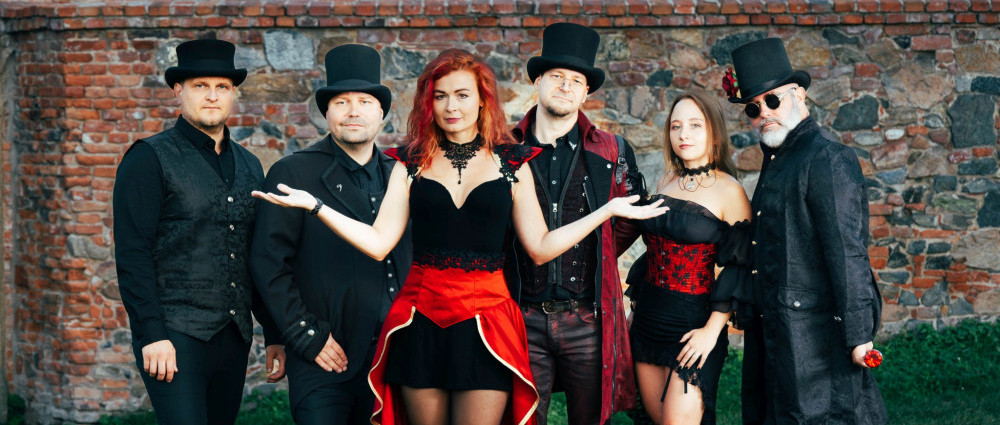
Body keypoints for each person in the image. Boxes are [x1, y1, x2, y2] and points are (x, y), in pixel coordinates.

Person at [252, 48, 666, 425]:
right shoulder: (410, 163)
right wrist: (317, 207)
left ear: (482, 100)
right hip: (420, 322)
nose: (451, 106)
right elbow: (378, 243)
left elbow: (540, 248)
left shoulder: (512, 163)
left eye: (462, 95)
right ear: (428, 103)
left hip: (488, 324)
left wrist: (606, 211)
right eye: (440, 96)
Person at [112, 38, 284, 425]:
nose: (212, 96)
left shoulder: (250, 164)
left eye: (222, 86)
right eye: (200, 85)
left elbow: (255, 255)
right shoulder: (148, 158)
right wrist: (151, 334)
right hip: (174, 335)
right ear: (179, 90)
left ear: (233, 93)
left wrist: (274, 332)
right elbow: (133, 253)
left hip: (234, 338)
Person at [724, 38, 887, 425]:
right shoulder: (778, 157)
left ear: (798, 94)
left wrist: (859, 336)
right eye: (753, 108)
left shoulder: (827, 157)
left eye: (772, 100)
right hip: (775, 332)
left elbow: (848, 254)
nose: (764, 113)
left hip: (816, 339)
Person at [250, 44, 412, 425]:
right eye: (342, 102)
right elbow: (268, 264)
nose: (354, 111)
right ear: (327, 113)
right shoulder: (293, 173)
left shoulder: (402, 174)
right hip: (325, 357)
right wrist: (306, 335)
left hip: (396, 356)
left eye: (365, 102)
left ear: (382, 113)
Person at [505, 22, 645, 425]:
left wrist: (595, 251)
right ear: (538, 82)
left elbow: (630, 216)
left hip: (586, 317)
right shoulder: (506, 148)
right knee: (519, 419)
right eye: (557, 76)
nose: (566, 86)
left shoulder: (612, 150)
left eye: (576, 81)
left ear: (586, 93)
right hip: (521, 316)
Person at [619, 91, 752, 425]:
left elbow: (739, 267)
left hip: (695, 325)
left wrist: (711, 331)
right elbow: (653, 253)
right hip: (648, 320)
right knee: (654, 419)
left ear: (714, 133)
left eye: (695, 125)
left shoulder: (730, 190)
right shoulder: (666, 181)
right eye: (676, 126)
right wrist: (634, 310)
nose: (684, 134)